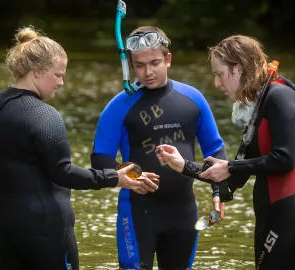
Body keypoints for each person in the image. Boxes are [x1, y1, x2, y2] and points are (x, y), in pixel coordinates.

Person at [0, 26, 156, 270]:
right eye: (58, 74)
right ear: (37, 71)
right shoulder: (44, 116)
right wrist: (115, 178)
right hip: (44, 227)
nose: (62, 82)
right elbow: (64, 173)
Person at [155, 35, 295, 269]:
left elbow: (284, 159)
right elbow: (237, 175)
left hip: (292, 214)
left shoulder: (280, 97)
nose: (217, 83)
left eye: (219, 73)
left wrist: (229, 166)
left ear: (238, 69)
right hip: (273, 215)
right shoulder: (259, 107)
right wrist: (184, 165)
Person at [91, 26, 228, 269]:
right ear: (131, 66)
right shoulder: (118, 107)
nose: (147, 72)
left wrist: (220, 193)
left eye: (154, 62)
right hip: (137, 211)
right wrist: (132, 176)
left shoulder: (193, 99)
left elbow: (215, 151)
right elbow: (100, 159)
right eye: (140, 65)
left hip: (183, 210)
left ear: (168, 60)